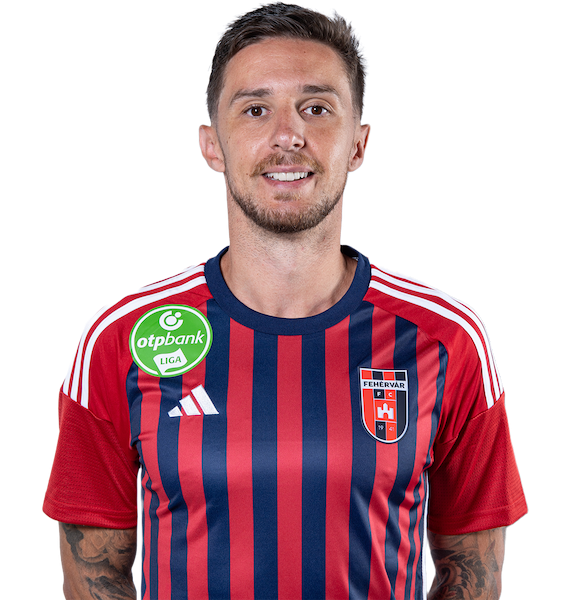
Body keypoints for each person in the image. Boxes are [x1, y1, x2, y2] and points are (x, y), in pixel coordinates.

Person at [42, 3, 528, 599]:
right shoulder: (120, 339)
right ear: (210, 145)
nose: (287, 135)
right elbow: (93, 578)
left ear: (359, 144)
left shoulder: (447, 339)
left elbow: (473, 577)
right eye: (255, 109)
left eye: (316, 108)